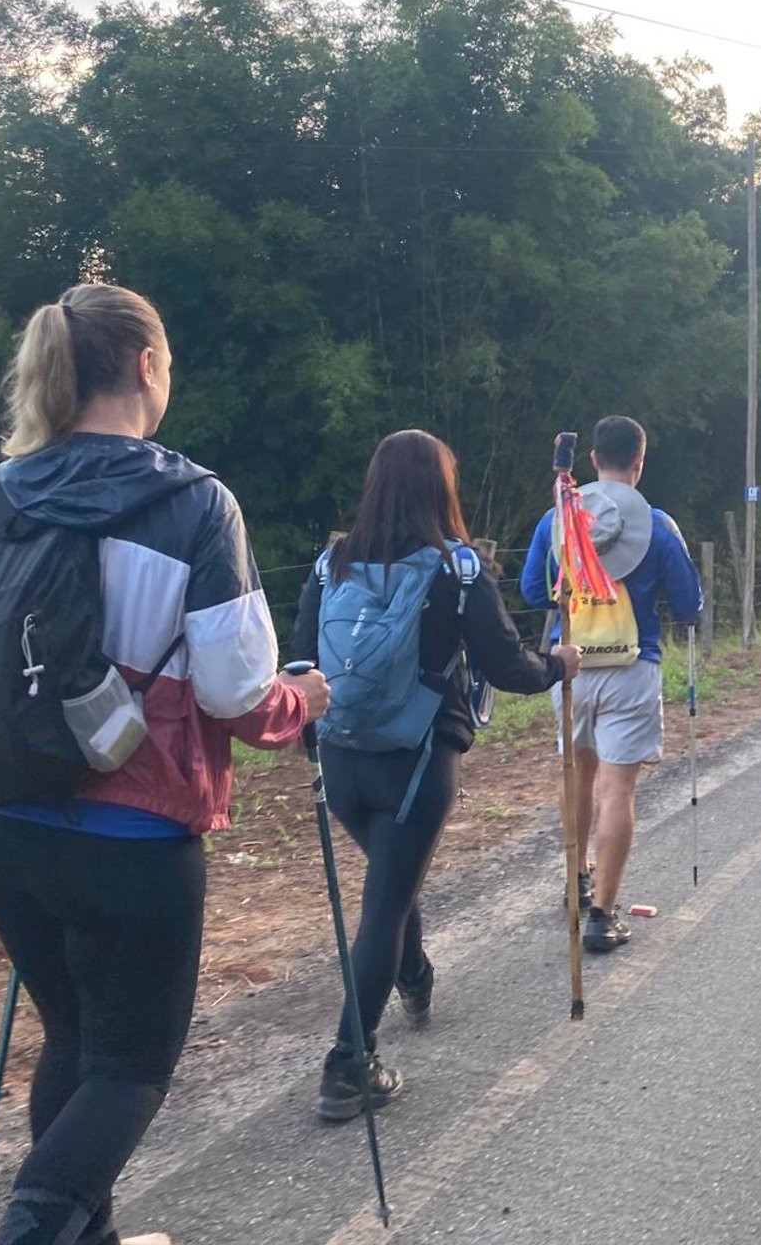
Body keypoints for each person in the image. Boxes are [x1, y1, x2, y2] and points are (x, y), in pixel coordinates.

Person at [0, 283, 328, 1245]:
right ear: (146, 366)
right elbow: (235, 692)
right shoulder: (195, 506)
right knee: (130, 1069)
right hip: (130, 843)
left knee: (79, 1043)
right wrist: (306, 700)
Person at [293, 430, 581, 1121]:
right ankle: (347, 1065)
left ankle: (414, 977)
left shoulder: (329, 565)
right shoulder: (456, 570)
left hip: (341, 760)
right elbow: (508, 666)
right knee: (387, 902)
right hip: (416, 763)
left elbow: (299, 665)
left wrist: (311, 744)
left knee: (394, 879)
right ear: (440, 488)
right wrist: (560, 665)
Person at [521, 415, 702, 953]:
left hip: (570, 665)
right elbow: (690, 605)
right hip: (632, 667)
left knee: (576, 773)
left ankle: (576, 877)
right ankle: (601, 914)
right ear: (640, 463)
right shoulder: (658, 525)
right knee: (618, 789)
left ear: (594, 459)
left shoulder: (558, 519)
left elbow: (535, 590)